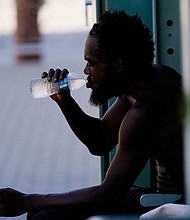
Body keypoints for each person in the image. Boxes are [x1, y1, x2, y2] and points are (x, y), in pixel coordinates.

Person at [0, 10, 184, 219]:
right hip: (162, 199)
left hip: (175, 206)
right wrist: (65, 101)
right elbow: (100, 140)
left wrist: (27, 200)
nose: (86, 71)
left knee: (45, 216)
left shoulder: (146, 111)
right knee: (41, 212)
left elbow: (108, 194)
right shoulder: (151, 78)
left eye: (92, 62)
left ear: (117, 64)